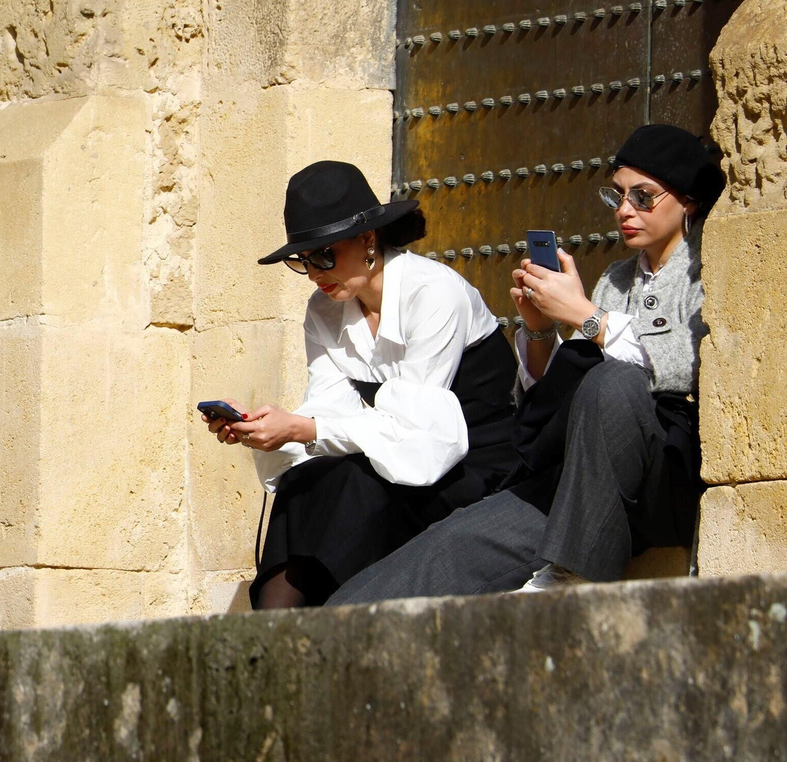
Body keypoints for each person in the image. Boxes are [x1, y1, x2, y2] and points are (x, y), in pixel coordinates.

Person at [328, 124, 722, 605]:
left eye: (643, 197)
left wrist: (584, 316)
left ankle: (575, 575)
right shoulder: (616, 280)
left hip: (666, 477)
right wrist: (539, 328)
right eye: (618, 196)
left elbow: (684, 369)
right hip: (578, 480)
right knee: (439, 551)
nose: (624, 211)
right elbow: (557, 401)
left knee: (615, 380)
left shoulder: (712, 266)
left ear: (688, 202)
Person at [202, 161, 520, 608]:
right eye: (303, 260)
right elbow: (330, 410)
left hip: (468, 461)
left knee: (350, 486)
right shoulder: (324, 310)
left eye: (324, 256)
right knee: (306, 482)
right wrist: (267, 429)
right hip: (388, 458)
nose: (314, 273)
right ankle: (278, 634)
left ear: (368, 240)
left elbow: (418, 440)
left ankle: (310, 633)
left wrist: (302, 429)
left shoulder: (433, 293)